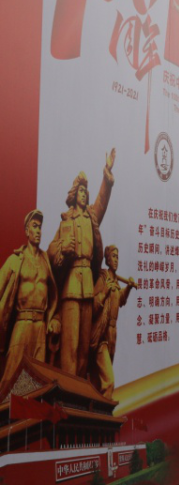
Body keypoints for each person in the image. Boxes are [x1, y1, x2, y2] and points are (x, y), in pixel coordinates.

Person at [48, 149, 116, 377]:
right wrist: (62, 248)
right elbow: (51, 251)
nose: (85, 195)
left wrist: (107, 174)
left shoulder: (91, 217)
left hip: (87, 285)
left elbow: (101, 202)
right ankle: (68, 389)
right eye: (81, 191)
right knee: (70, 345)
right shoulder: (66, 221)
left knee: (84, 348)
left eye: (86, 192)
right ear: (74, 194)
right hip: (71, 287)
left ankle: (80, 389)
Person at [0, 210, 58, 398]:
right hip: (22, 324)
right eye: (34, 226)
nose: (38, 231)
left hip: (40, 327)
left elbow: (53, 296)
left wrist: (53, 319)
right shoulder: (15, 260)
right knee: (11, 376)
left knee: (37, 378)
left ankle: (29, 414)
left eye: (40, 227)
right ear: (27, 231)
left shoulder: (45, 260)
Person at [90, 245, 135, 398]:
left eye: (117, 257)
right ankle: (104, 409)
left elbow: (120, 300)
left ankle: (98, 406)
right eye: (113, 257)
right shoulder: (103, 279)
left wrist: (128, 288)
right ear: (107, 259)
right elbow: (92, 305)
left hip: (112, 335)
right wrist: (104, 292)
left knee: (101, 380)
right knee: (108, 382)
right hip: (101, 335)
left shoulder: (115, 281)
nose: (116, 260)